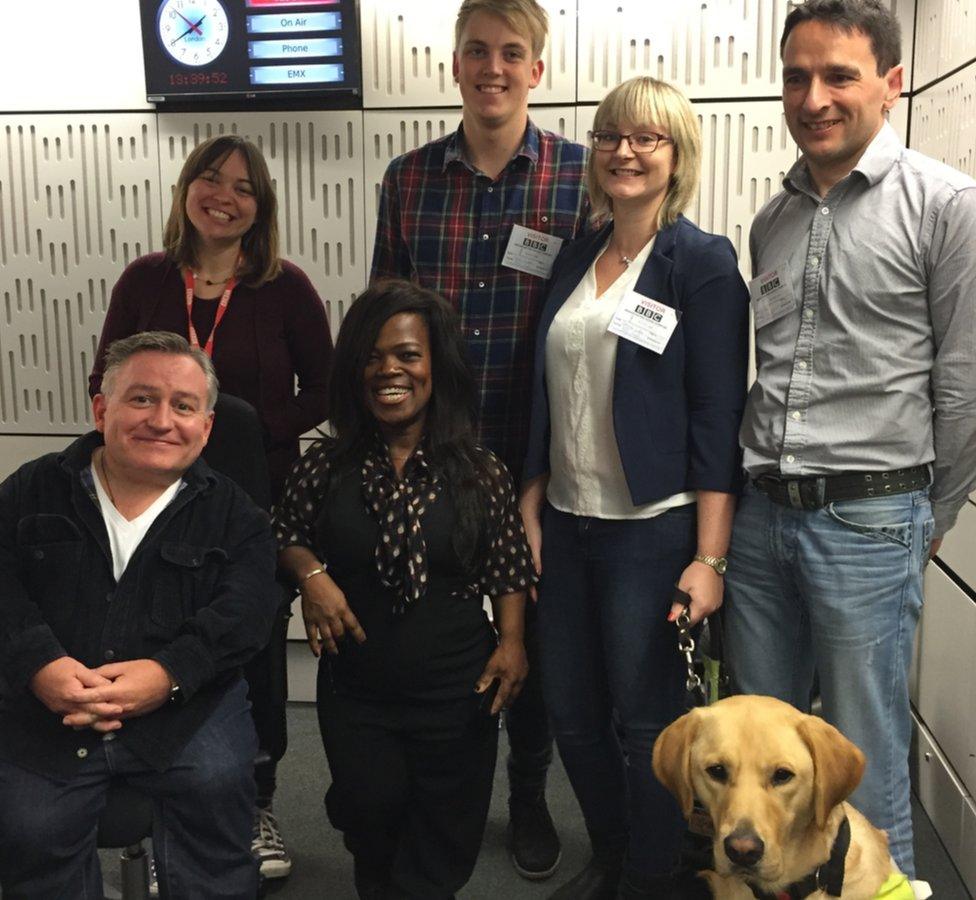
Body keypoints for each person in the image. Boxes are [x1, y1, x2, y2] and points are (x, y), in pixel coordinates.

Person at [724, 0, 976, 879]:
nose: (814, 96)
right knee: (762, 757)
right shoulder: (773, 222)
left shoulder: (947, 206)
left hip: (870, 520)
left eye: (839, 75)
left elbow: (964, 382)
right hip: (762, 523)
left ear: (892, 84)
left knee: (859, 758)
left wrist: (927, 513)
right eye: (797, 76)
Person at [370, 0, 589, 878]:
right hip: (437, 452)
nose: (491, 68)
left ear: (536, 69)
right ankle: (438, 790)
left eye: (510, 53)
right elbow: (387, 320)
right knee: (438, 626)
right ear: (454, 66)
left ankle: (527, 792)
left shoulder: (580, 177)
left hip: (546, 453)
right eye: (475, 52)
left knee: (528, 631)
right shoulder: (409, 178)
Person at [521, 76, 749, 898]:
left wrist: (711, 561)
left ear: (677, 154)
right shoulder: (578, 253)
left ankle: (655, 877)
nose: (626, 150)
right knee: (573, 719)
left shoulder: (701, 263)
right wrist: (531, 498)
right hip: (569, 526)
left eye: (648, 137)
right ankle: (615, 857)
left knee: (648, 726)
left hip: (651, 532)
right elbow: (549, 384)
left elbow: (719, 414)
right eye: (613, 134)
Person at [89, 134, 334, 879]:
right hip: (152, 501)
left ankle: (255, 800)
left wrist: (246, 433)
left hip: (257, 502)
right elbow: (104, 382)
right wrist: (171, 439)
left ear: (261, 207)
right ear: (187, 188)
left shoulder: (285, 288)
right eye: (210, 178)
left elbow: (326, 391)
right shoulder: (144, 280)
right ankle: (165, 804)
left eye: (243, 187)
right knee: (157, 636)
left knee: (252, 648)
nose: (223, 196)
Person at [274, 280, 536, 899]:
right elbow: (283, 531)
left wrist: (515, 643)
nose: (389, 369)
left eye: (408, 355)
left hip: (456, 688)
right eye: (371, 354)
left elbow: (508, 565)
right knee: (370, 816)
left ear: (435, 367)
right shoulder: (325, 464)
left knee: (445, 830)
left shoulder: (480, 469)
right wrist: (312, 575)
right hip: (355, 688)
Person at [0, 331, 279, 897]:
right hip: (51, 702)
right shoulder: (32, 489)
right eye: (142, 399)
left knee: (215, 794)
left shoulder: (237, 516)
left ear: (206, 428)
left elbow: (245, 614)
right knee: (30, 829)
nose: (162, 420)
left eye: (183, 406)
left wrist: (168, 675)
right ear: (102, 410)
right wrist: (38, 664)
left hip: (189, 704)